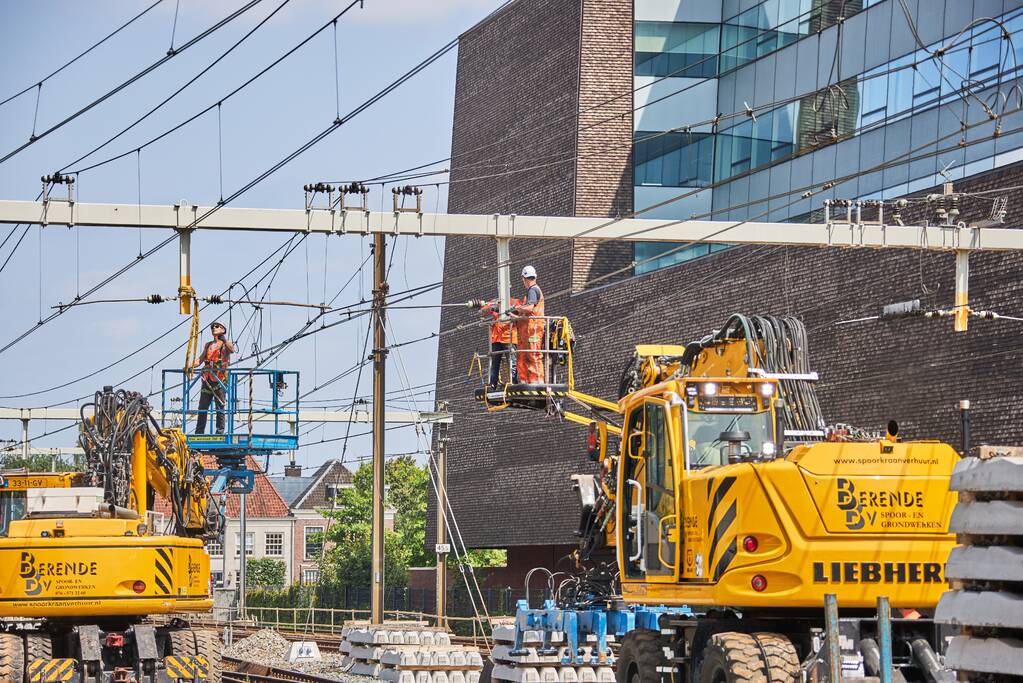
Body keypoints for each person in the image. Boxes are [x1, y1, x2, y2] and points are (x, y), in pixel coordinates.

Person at [192, 321, 237, 434]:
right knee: (202, 407)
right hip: (207, 379)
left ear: (223, 329)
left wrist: (224, 339)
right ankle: (199, 432)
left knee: (219, 407)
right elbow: (201, 358)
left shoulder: (225, 345)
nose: (214, 328)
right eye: (212, 327)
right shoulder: (208, 345)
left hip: (220, 380)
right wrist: (190, 365)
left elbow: (232, 350)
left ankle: (219, 432)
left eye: (217, 326)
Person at [511, 265, 545, 384]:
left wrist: (518, 308)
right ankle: (525, 380)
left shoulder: (533, 290)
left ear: (525, 279)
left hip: (534, 328)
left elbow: (530, 308)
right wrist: (517, 317)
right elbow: (528, 314)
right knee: (523, 356)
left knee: (533, 354)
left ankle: (537, 380)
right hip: (528, 330)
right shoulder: (531, 292)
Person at [482, 297, 520, 388]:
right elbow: (482, 312)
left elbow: (519, 313)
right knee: (495, 363)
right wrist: (492, 307)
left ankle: (514, 383)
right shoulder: (494, 302)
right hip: (496, 338)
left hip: (509, 337)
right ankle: (493, 384)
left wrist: (509, 311)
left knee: (512, 361)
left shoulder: (515, 302)